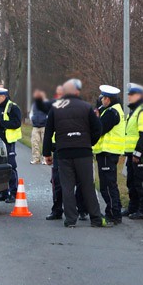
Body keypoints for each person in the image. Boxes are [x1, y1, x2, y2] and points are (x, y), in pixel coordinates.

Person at [42, 79, 107, 228]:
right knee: (87, 186)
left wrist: (47, 153)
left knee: (67, 187)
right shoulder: (86, 107)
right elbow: (98, 128)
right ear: (77, 92)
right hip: (83, 152)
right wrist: (89, 142)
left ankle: (70, 219)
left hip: (64, 152)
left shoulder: (55, 108)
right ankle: (96, 218)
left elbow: (48, 132)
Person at [35, 87, 87, 220]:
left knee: (80, 181)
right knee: (58, 182)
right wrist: (47, 152)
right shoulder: (55, 109)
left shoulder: (81, 109)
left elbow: (91, 129)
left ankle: (81, 209)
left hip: (77, 150)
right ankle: (57, 209)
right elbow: (48, 132)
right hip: (60, 151)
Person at [123, 83, 143, 220]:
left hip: (140, 154)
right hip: (132, 153)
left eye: (132, 95)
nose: (129, 97)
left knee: (141, 182)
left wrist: (137, 153)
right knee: (132, 181)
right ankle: (133, 207)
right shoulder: (135, 111)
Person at [93, 85, 125, 224]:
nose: (101, 101)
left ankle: (113, 213)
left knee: (107, 185)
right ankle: (113, 211)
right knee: (109, 184)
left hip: (108, 152)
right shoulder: (112, 110)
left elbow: (100, 128)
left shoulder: (112, 112)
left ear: (109, 99)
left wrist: (96, 119)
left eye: (103, 98)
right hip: (108, 152)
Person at [0, 87, 22, 203]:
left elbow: (16, 123)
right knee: (0, 166)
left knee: (11, 166)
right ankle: (3, 193)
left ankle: (13, 193)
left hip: (8, 141)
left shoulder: (13, 107)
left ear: (3, 96)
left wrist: (0, 122)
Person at [29, 90, 48, 164]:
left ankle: (45, 159)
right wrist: (32, 119)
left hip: (44, 126)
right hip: (35, 126)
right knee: (34, 143)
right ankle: (36, 159)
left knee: (45, 143)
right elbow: (31, 113)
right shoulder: (34, 104)